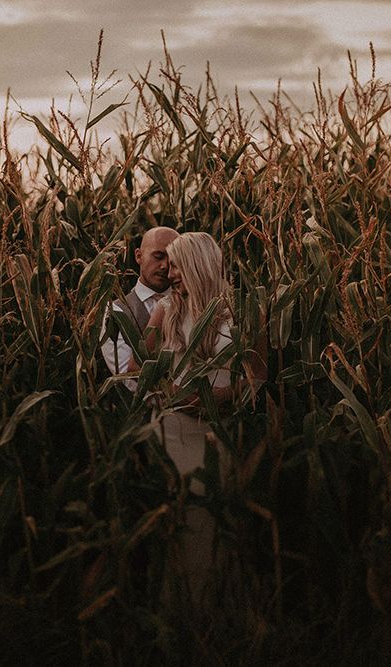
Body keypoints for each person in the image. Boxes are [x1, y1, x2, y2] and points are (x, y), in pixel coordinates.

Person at [130, 231, 266, 606]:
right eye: (167, 264)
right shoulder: (167, 309)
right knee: (182, 519)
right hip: (174, 432)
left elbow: (258, 375)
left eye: (175, 265)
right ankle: (181, 612)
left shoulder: (243, 308)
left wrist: (215, 398)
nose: (170, 274)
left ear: (197, 264)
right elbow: (137, 366)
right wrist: (170, 394)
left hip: (220, 432)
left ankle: (219, 610)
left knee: (215, 519)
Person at [101, 226, 179, 377]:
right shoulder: (115, 312)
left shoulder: (192, 303)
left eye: (173, 259)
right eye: (158, 256)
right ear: (138, 256)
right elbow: (127, 379)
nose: (165, 265)